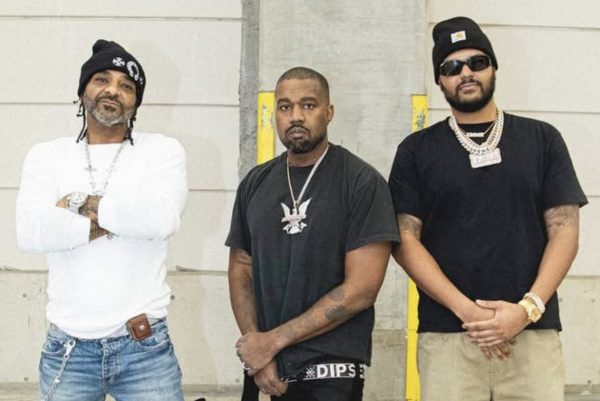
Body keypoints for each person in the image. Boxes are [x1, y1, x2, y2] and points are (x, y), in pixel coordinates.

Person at [388, 16, 587, 401]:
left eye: (476, 62)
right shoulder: (416, 150)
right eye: (452, 67)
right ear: (440, 80)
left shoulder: (543, 140)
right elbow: (404, 239)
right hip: (449, 338)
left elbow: (565, 229)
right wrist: (469, 312)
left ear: (493, 67)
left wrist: (526, 309)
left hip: (532, 334)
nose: (466, 73)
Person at [16, 39, 187, 401]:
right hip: (68, 350)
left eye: (126, 86)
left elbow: (161, 219)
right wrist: (126, 218)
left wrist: (76, 204)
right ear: (83, 91)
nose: (113, 90)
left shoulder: (162, 151)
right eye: (102, 80)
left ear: (135, 102)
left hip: (144, 348)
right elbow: (31, 231)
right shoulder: (47, 155)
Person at [226, 66, 399, 401]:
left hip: (330, 374)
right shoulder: (255, 183)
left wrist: (272, 341)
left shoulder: (361, 182)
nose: (295, 116)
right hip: (265, 371)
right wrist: (257, 346)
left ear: (328, 112)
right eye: (285, 106)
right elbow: (241, 268)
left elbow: (361, 290)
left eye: (308, 105)